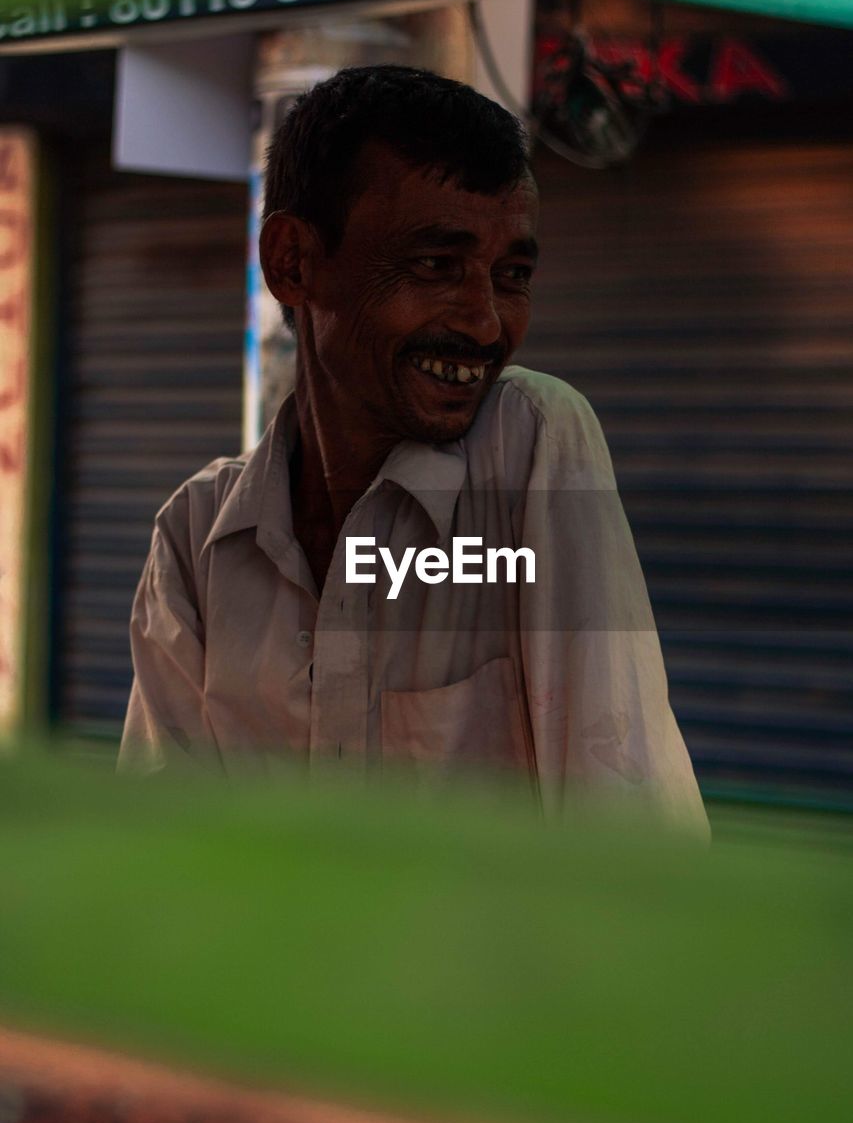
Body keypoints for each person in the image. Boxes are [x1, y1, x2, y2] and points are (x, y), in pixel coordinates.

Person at [120, 64, 708, 837]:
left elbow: (627, 822)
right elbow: (165, 849)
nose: (486, 323)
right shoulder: (198, 542)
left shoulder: (528, 447)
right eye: (436, 265)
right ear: (294, 261)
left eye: (512, 275)